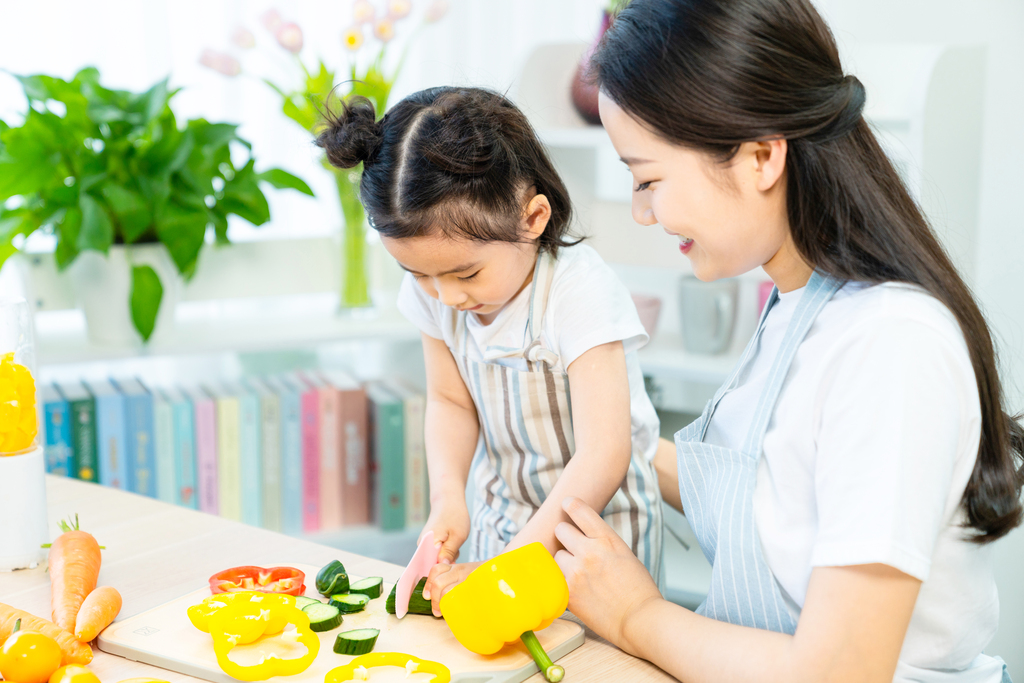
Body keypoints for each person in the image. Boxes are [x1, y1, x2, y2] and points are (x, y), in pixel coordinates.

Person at [552, 1, 1024, 681]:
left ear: (762, 156)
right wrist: (608, 437)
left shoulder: (891, 345)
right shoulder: (796, 304)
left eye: (648, 177)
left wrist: (635, 615)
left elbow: (841, 670)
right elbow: (779, 501)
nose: (642, 211)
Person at [316, 86, 663, 616]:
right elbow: (452, 404)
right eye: (419, 275)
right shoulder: (434, 291)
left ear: (533, 219)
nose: (448, 297)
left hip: (597, 546)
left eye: (466, 273)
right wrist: (448, 500)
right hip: (501, 529)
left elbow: (604, 454)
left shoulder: (577, 292)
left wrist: (517, 564)